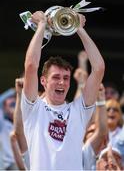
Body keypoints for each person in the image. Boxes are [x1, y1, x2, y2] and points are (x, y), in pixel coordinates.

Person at [21, 11, 105, 170]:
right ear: (43, 81)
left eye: (66, 78)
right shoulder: (34, 108)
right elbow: (31, 66)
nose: (62, 82)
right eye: (56, 77)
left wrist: (78, 27)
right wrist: (41, 26)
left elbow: (99, 68)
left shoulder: (78, 110)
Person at [82, 83, 108, 170]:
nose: (94, 135)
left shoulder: (113, 155)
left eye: (94, 132)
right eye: (90, 132)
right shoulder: (82, 151)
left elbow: (101, 131)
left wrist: (100, 100)